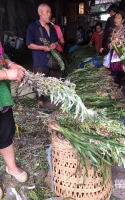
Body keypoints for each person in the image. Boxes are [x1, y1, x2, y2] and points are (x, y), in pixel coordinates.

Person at [0, 42, 27, 199]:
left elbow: (1, 55)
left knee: (5, 131)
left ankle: (11, 167)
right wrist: (6, 74)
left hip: (1, 96)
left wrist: (10, 63)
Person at [26, 3, 59, 106]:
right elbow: (29, 44)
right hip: (39, 60)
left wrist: (54, 45)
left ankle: (53, 101)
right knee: (40, 82)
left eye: (50, 12)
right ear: (40, 13)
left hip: (52, 60)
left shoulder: (52, 27)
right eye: (47, 12)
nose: (49, 14)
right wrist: (42, 47)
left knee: (54, 81)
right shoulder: (33, 27)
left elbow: (56, 40)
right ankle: (40, 102)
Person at [110, 11, 125, 86]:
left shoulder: (122, 31)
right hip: (116, 56)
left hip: (119, 58)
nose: (116, 19)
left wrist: (112, 44)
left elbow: (122, 44)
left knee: (116, 76)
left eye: (118, 18)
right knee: (116, 76)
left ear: (122, 20)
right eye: (115, 17)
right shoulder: (117, 29)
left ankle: (118, 90)